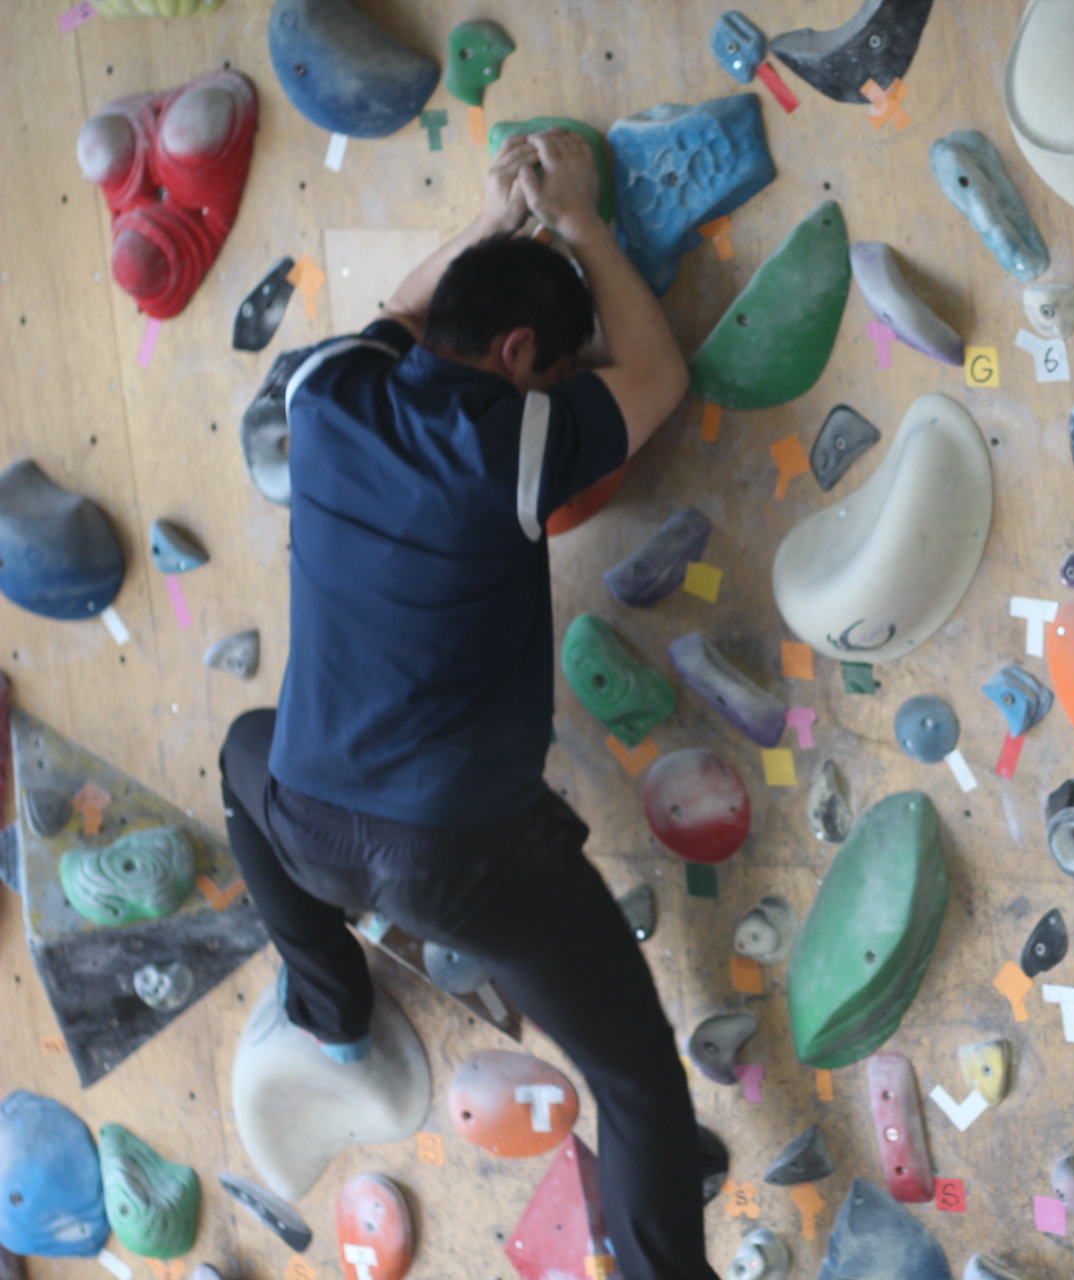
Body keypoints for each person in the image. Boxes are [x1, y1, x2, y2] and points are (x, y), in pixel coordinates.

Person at [217, 131, 719, 1280]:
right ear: (519, 353)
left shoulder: (325, 391)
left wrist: (492, 222)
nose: (566, 388)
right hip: (462, 862)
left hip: (307, 820)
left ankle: (332, 1009)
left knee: (244, 750)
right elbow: (659, 379)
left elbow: (400, 309)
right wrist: (580, 221)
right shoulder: (510, 439)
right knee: (637, 1080)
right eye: (561, 368)